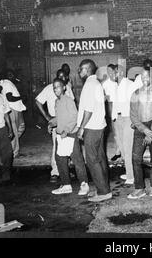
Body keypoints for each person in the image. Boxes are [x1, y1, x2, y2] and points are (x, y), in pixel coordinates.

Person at [77, 59, 112, 202]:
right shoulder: (96, 83)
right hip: (99, 126)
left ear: (86, 69)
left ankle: (103, 192)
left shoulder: (90, 85)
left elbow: (89, 110)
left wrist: (81, 128)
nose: (79, 72)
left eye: (80, 69)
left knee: (92, 160)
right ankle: (104, 189)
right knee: (100, 158)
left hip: (92, 127)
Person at [128, 68, 152, 199]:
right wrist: (144, 130)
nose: (145, 79)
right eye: (143, 77)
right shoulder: (135, 94)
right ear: (140, 79)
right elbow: (133, 115)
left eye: (148, 77)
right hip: (140, 128)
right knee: (135, 158)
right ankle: (139, 188)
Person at [47, 78, 89, 196]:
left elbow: (75, 117)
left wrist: (67, 130)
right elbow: (59, 118)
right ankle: (66, 185)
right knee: (60, 160)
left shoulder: (69, 101)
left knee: (77, 160)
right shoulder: (57, 102)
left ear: (64, 87)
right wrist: (51, 123)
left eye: (58, 86)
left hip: (70, 134)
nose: (56, 89)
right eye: (54, 87)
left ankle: (84, 184)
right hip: (61, 135)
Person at [35, 69, 75, 182]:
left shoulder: (67, 88)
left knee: (67, 146)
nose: (62, 79)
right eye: (59, 77)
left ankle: (65, 170)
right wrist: (47, 117)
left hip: (67, 121)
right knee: (57, 147)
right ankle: (55, 172)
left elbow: (72, 104)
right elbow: (38, 101)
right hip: (56, 121)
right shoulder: (49, 88)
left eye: (64, 77)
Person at [112, 64, 136, 184]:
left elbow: (134, 103)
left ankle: (131, 176)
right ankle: (129, 173)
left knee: (128, 148)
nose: (112, 75)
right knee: (122, 147)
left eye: (114, 72)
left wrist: (133, 120)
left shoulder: (129, 85)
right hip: (119, 118)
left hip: (128, 118)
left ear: (120, 73)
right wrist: (115, 118)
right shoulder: (116, 85)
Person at [0, 69, 26, 158]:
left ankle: (10, 144)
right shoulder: (7, 83)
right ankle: (14, 152)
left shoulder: (7, 83)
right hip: (12, 109)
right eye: (10, 74)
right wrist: (21, 97)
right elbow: (9, 98)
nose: (12, 76)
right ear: (7, 76)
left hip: (15, 109)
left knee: (21, 127)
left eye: (12, 74)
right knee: (15, 130)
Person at [102, 64, 121, 162]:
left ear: (115, 72)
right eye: (108, 71)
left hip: (122, 108)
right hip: (112, 108)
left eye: (111, 71)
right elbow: (104, 98)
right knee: (115, 132)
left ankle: (122, 150)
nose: (109, 73)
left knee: (122, 132)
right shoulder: (105, 84)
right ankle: (118, 152)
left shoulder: (120, 82)